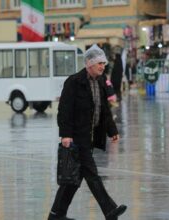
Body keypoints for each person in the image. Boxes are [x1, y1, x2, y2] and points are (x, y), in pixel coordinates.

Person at [48, 44, 127, 220]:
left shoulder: (100, 82)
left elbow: (104, 109)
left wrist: (112, 130)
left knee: (73, 181)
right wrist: (66, 135)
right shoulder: (74, 82)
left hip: (90, 138)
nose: (102, 66)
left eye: (103, 63)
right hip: (77, 138)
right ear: (89, 63)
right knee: (92, 175)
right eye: (99, 63)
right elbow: (64, 111)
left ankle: (56, 215)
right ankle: (110, 211)